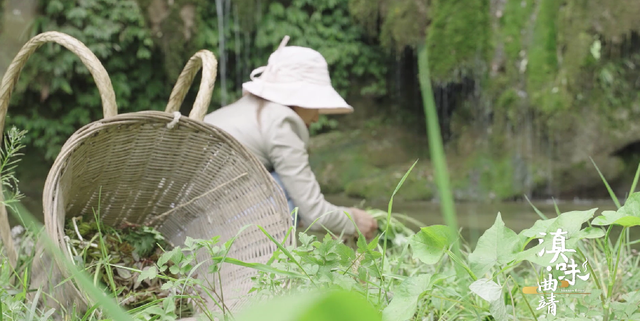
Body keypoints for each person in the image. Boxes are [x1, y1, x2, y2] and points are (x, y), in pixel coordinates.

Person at [203, 36, 378, 240]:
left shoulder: (239, 110)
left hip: (189, 213)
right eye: (315, 103)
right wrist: (354, 221)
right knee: (285, 187)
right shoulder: (282, 122)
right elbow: (315, 213)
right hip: (216, 226)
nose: (316, 116)